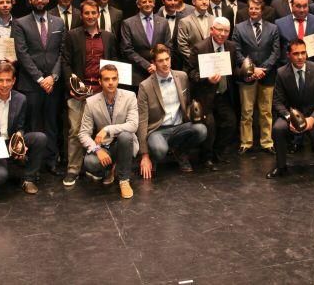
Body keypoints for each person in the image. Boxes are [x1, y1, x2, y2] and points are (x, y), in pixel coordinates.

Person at [60, 0, 118, 186]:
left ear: (98, 14)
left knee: (103, 132)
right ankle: (73, 170)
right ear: (81, 15)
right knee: (76, 131)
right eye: (87, 13)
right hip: (79, 92)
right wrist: (72, 86)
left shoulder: (108, 37)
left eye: (94, 13)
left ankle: (103, 168)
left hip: (102, 92)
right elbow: (65, 63)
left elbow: (114, 64)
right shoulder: (72, 36)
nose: (91, 16)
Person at [13, 0, 65, 176]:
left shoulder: (59, 22)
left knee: (52, 123)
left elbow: (62, 53)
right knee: (33, 126)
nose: (40, 0)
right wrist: (40, 78)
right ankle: (34, 165)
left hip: (54, 83)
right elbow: (22, 53)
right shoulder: (20, 23)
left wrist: (53, 77)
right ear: (30, 0)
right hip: (31, 83)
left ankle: (51, 161)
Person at [0, 62, 47, 194]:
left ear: (14, 81)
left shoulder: (21, 99)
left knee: (40, 138)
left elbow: (21, 127)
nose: (4, 85)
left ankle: (28, 179)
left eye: (8, 80)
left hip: (11, 141)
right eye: (1, 80)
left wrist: (20, 139)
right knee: (0, 177)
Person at [266, 38, 314, 178]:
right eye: (296, 53)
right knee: (278, 128)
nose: (300, 57)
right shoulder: (281, 73)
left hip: (313, 116)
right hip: (292, 115)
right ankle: (281, 166)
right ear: (288, 55)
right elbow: (277, 101)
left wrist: (312, 119)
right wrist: (291, 118)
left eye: (303, 53)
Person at [137, 44, 206, 179]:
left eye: (167, 59)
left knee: (201, 130)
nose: (165, 63)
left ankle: (180, 151)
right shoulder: (145, 86)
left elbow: (187, 103)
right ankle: (154, 156)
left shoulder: (182, 76)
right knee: (160, 150)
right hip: (158, 129)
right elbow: (142, 120)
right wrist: (144, 155)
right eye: (160, 60)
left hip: (179, 126)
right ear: (154, 63)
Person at [186, 17, 244, 170]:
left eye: (226, 31)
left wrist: (244, 72)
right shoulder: (199, 48)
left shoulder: (231, 47)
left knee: (231, 123)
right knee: (210, 126)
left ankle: (218, 153)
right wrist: (207, 80)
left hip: (224, 94)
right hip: (205, 95)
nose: (222, 34)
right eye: (219, 30)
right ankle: (206, 158)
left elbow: (233, 70)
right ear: (212, 30)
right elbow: (190, 73)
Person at [79, 64, 138, 199]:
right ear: (100, 81)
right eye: (106, 79)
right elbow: (83, 133)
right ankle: (109, 170)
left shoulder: (130, 96)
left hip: (125, 144)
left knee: (125, 136)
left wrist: (107, 129)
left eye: (114, 78)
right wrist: (96, 150)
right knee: (90, 162)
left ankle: (124, 180)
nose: (111, 82)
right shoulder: (91, 102)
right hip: (105, 147)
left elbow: (133, 125)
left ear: (118, 79)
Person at [231, 0, 280, 154]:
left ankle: (267, 142)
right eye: (250, 8)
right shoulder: (238, 28)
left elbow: (276, 52)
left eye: (256, 8)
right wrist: (253, 69)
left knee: (266, 112)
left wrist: (262, 69)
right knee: (246, 112)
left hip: (267, 75)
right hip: (247, 76)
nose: (253, 11)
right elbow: (236, 51)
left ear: (262, 10)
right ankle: (246, 142)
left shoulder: (273, 28)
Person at [120, 0, 172, 88]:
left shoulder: (163, 22)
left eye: (150, 1)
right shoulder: (128, 23)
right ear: (138, 4)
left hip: (161, 73)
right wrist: (148, 65)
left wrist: (159, 65)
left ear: (154, 3)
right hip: (138, 75)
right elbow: (127, 50)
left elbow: (168, 46)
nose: (147, 4)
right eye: (144, 2)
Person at [176, 0, 212, 68]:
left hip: (212, 66)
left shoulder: (215, 20)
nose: (204, 2)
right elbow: (182, 47)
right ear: (193, 1)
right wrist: (198, 62)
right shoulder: (184, 21)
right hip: (193, 67)